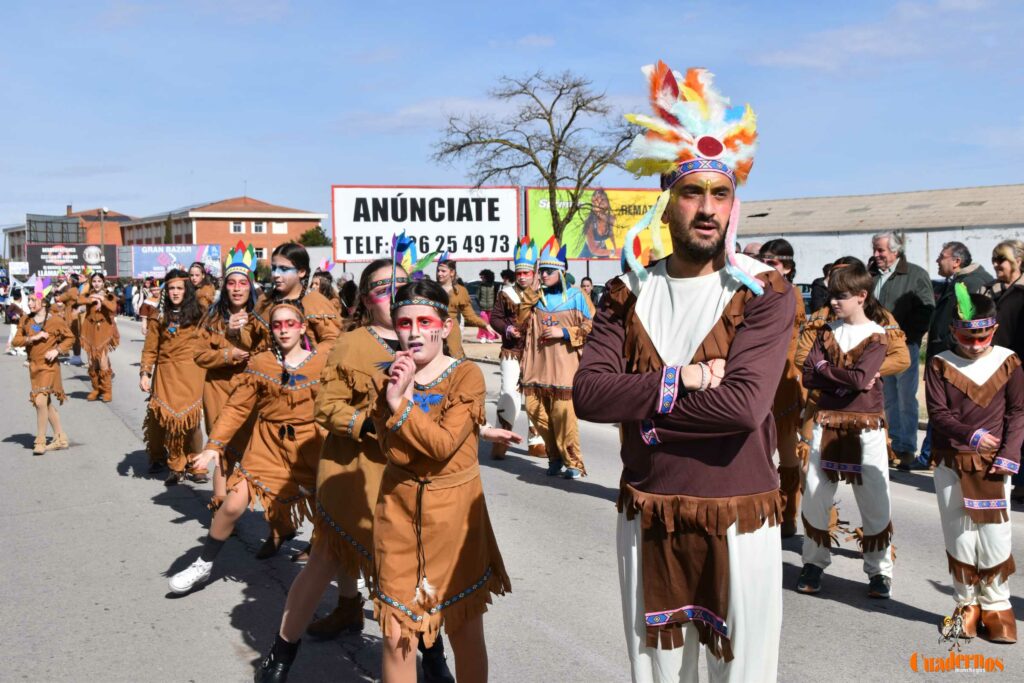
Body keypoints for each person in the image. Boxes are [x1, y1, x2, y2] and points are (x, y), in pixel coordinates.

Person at [574, 62, 792, 681]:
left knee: (741, 673)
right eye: (692, 192)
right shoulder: (625, 291)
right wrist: (683, 381)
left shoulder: (765, 290)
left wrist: (641, 404)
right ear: (667, 201)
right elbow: (588, 393)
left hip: (738, 511)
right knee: (655, 674)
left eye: (719, 194)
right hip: (649, 510)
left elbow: (745, 408)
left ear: (734, 205)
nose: (706, 209)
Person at [372, 279, 510, 683]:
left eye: (424, 321)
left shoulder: (466, 376)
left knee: (463, 626)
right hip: (397, 516)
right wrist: (396, 395)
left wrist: (402, 405)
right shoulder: (388, 376)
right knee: (397, 632)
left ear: (445, 326)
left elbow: (443, 446)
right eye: (403, 322)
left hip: (454, 522)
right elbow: (393, 453)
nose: (413, 332)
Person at [168, 301, 325, 596]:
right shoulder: (260, 363)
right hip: (267, 445)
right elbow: (237, 407)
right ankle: (204, 563)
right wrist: (214, 445)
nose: (283, 329)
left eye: (290, 323)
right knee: (233, 504)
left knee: (331, 515)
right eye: (277, 324)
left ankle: (347, 574)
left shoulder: (322, 363)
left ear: (303, 327)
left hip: (310, 446)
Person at [798, 262, 908, 599]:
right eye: (831, 295)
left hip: (866, 427)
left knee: (875, 500)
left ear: (861, 296)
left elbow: (861, 380)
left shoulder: (879, 334)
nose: (833, 302)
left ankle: (879, 571)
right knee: (815, 498)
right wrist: (844, 376)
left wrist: (826, 370)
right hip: (826, 422)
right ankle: (814, 563)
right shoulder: (824, 330)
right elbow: (807, 374)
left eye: (841, 296)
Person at [926, 286, 1022, 644]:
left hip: (994, 465)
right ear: (953, 330)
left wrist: (1011, 454)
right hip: (952, 461)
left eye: (983, 336)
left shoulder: (1008, 361)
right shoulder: (939, 363)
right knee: (960, 535)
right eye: (968, 336)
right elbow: (938, 413)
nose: (976, 344)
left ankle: (998, 606)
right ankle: (966, 605)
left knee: (995, 537)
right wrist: (972, 435)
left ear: (994, 329)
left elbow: (1018, 411)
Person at [518, 237, 593, 479]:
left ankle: (573, 462)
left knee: (562, 414)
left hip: (564, 367)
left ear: (560, 272)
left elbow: (593, 326)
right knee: (534, 410)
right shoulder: (535, 298)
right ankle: (554, 456)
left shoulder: (577, 296)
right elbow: (520, 323)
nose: (543, 275)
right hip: (537, 366)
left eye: (548, 272)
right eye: (541, 271)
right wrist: (530, 294)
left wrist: (565, 332)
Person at [193, 243, 258, 523]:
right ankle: (221, 511)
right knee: (220, 445)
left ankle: (254, 503)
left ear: (250, 286)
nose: (236, 288)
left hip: (253, 390)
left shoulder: (262, 316)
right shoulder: (212, 317)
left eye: (242, 283)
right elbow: (199, 355)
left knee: (254, 446)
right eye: (231, 283)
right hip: (218, 388)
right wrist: (227, 352)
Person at [918, 242, 993, 468]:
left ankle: (930, 456)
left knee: (944, 409)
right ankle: (929, 456)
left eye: (942, 257)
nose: (938, 261)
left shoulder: (970, 283)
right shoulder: (959, 281)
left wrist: (954, 348)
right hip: (946, 355)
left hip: (954, 358)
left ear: (956, 261)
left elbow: (969, 323)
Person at [872, 231, 935, 469]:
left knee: (906, 397)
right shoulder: (873, 276)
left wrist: (907, 335)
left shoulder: (915, 275)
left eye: (881, 250)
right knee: (887, 398)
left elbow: (927, 309)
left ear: (895, 251)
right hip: (877, 347)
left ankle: (906, 447)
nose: (876, 255)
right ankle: (893, 444)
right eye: (875, 249)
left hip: (905, 346)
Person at [140, 269, 208, 485]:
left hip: (192, 373)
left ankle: (197, 464)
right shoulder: (157, 315)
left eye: (179, 288)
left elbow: (212, 342)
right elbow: (150, 348)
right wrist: (145, 373)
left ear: (186, 289)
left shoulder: (201, 313)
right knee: (167, 420)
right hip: (166, 373)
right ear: (165, 290)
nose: (175, 292)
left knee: (192, 421)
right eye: (171, 288)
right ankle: (174, 464)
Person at [759, 239, 807, 537]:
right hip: (757, 382)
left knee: (789, 455)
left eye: (773, 262)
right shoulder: (752, 291)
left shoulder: (793, 295)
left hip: (785, 385)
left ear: (787, 267)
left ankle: (788, 517)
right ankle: (762, 512)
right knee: (758, 454)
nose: (767, 267)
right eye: (763, 261)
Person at [489, 238, 548, 460]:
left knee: (536, 395)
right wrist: (507, 328)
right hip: (512, 351)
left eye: (527, 273)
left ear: (533, 272)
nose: (522, 277)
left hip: (537, 352)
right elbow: (495, 318)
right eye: (519, 273)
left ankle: (536, 441)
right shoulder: (506, 293)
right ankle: (502, 440)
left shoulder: (543, 293)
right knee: (509, 394)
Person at [13, 281, 74, 454]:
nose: (30, 303)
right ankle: (60, 437)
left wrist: (57, 350)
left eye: (33, 300)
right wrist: (33, 338)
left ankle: (39, 441)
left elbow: (70, 338)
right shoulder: (27, 320)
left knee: (39, 401)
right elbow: (16, 341)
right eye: (29, 300)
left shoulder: (55, 320)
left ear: (44, 303)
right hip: (34, 366)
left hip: (49, 367)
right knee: (44, 404)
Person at [249, 243, 340, 355]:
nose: (276, 274)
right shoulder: (264, 300)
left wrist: (306, 358)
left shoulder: (316, 301)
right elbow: (249, 340)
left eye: (284, 269)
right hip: (269, 369)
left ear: (301, 272)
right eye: (274, 268)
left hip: (309, 370)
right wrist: (234, 331)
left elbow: (333, 340)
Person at [435, 259, 495, 358]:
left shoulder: (461, 291)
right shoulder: (431, 288)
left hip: (451, 329)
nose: (439, 273)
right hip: (433, 328)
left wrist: (485, 325)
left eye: (443, 271)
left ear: (452, 272)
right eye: (438, 271)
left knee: (454, 359)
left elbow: (470, 315)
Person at [78, 272, 119, 402]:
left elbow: (113, 307)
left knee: (102, 362)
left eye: (99, 281)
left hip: (104, 331)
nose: (96, 283)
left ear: (103, 282)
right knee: (91, 361)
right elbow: (79, 300)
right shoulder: (87, 294)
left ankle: (107, 391)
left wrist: (101, 299)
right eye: (94, 281)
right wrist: (93, 298)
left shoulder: (109, 295)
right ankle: (96, 389)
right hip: (89, 330)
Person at [56, 273, 84, 366]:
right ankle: (76, 356)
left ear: (71, 281)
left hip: (71, 316)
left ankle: (76, 357)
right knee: (75, 337)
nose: (67, 280)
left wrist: (59, 288)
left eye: (68, 279)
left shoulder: (71, 290)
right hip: (74, 315)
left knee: (72, 337)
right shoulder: (76, 290)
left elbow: (59, 298)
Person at [474, 269, 500, 342]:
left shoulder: (494, 286)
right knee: (483, 323)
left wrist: (495, 305)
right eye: (481, 277)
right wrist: (480, 304)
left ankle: (491, 337)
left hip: (492, 308)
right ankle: (483, 336)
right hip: (483, 308)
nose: (481, 279)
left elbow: (496, 297)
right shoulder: (480, 286)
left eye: (482, 277)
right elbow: (477, 296)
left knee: (491, 323)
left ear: (487, 277)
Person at [5, 288, 28, 356]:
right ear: (20, 298)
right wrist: (13, 316)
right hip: (14, 324)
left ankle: (12, 349)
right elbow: (7, 311)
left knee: (13, 337)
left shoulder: (19, 305)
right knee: (16, 336)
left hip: (18, 323)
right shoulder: (13, 305)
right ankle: (19, 350)